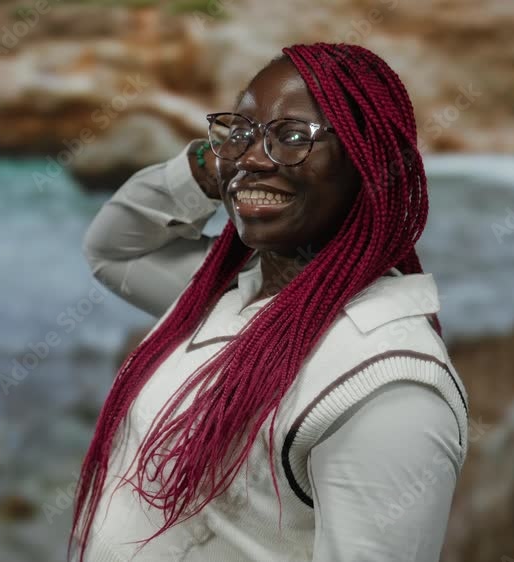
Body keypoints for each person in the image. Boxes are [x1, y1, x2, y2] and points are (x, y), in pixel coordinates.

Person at [69, 42, 470, 562]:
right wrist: (207, 165)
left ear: (369, 162)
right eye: (241, 133)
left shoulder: (389, 384)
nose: (254, 157)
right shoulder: (225, 290)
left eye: (294, 137)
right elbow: (113, 248)